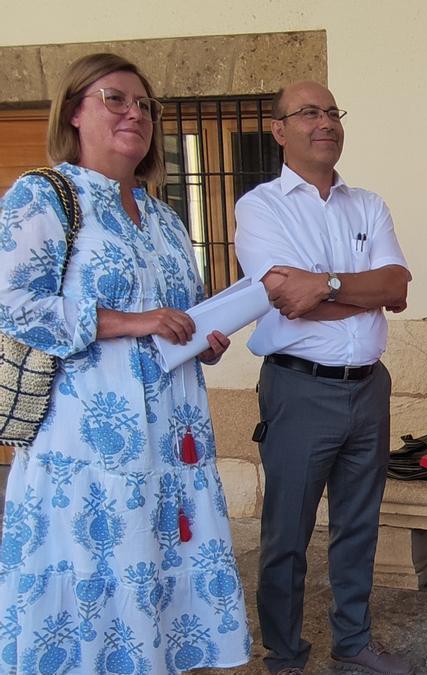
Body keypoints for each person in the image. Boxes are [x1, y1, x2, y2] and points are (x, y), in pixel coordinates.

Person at [0, 52, 250, 673]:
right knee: (95, 570)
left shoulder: (164, 217)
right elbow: (11, 301)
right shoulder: (44, 196)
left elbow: (181, 312)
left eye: (144, 105)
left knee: (162, 568)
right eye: (115, 99)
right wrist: (131, 321)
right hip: (87, 444)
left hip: (173, 435)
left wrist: (204, 337)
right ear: (75, 112)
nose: (134, 113)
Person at [234, 81, 412, 675]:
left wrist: (329, 285)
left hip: (368, 385)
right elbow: (287, 297)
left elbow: (397, 286)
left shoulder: (368, 205)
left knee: (358, 526)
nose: (325, 122)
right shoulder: (260, 206)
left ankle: (352, 643)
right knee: (286, 534)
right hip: (299, 387)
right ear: (279, 129)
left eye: (332, 111)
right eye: (308, 112)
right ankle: (284, 655)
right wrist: (352, 292)